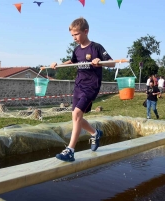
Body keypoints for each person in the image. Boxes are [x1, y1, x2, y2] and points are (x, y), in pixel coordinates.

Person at [50, 17, 115, 162]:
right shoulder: (77, 50)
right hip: (79, 85)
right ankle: (95, 133)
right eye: (72, 35)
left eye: (76, 34)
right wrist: (58, 65)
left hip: (91, 86)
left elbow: (112, 63)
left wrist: (100, 62)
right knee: (76, 117)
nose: (74, 38)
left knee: (77, 114)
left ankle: (70, 150)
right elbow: (72, 62)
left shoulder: (96, 47)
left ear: (86, 31)